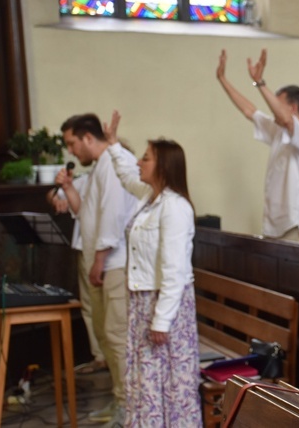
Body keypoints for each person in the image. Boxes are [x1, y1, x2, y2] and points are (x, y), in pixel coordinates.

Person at [102, 111, 202, 426]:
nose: (139, 163)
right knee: (145, 382)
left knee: (169, 383)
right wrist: (114, 145)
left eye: (145, 158)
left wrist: (161, 320)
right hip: (145, 301)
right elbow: (126, 175)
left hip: (164, 306)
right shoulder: (150, 197)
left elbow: (174, 269)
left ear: (162, 166)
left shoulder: (175, 207)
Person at [57, 114, 137, 426]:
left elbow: (114, 216)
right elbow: (86, 214)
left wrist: (100, 260)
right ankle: (118, 400)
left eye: (72, 143)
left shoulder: (115, 163)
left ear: (88, 138)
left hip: (115, 265)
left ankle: (129, 407)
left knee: (117, 338)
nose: (72, 151)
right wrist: (68, 188)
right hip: (101, 263)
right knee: (106, 335)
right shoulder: (98, 168)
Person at [216, 48, 299, 243]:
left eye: (276, 103)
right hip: (273, 223)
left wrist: (259, 83)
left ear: (293, 107)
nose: (272, 110)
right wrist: (222, 79)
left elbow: (287, 120)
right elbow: (250, 111)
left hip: (295, 222)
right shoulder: (278, 130)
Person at [48, 174, 109, 375]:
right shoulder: (89, 177)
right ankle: (99, 356)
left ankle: (115, 357)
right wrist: (56, 198)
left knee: (111, 306)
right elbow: (52, 194)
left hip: (110, 249)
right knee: (89, 303)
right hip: (85, 247)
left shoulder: (118, 179)